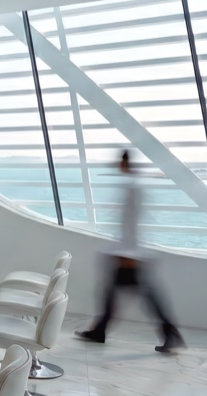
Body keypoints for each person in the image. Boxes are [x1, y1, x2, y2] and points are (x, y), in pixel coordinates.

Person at [76, 151, 186, 353]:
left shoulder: (132, 186)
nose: (117, 165)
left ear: (125, 162)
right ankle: (100, 330)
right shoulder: (134, 184)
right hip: (129, 251)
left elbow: (130, 223)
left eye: (119, 161)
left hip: (130, 254)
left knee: (145, 296)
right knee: (117, 293)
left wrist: (128, 253)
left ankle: (169, 333)